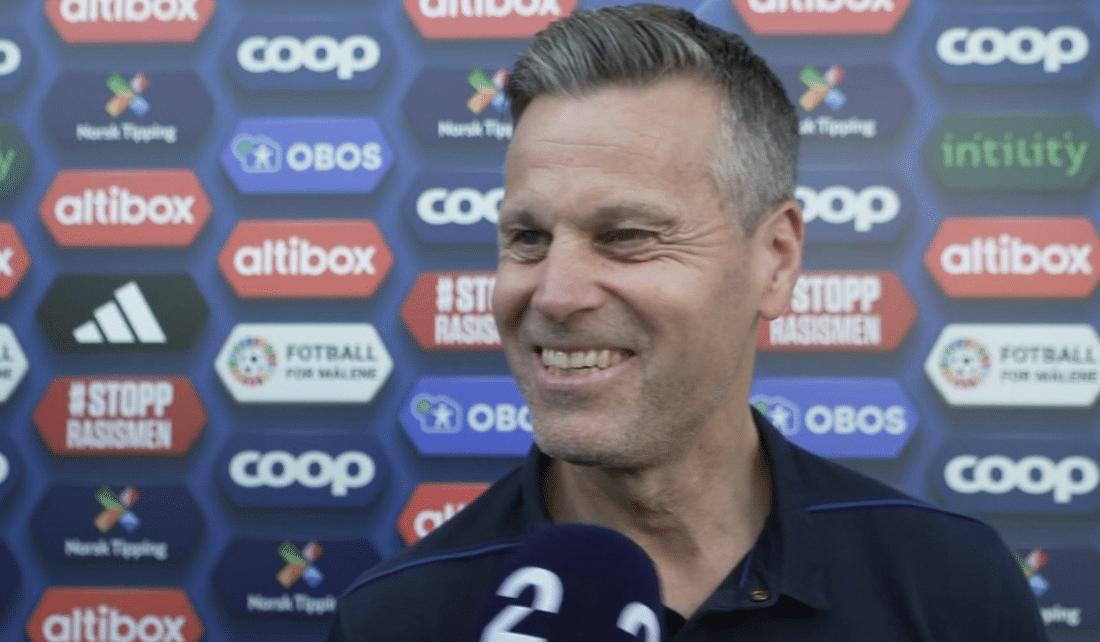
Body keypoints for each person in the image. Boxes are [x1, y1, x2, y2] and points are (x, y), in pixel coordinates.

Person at [329, 5, 1048, 640]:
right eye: (528, 238)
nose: (555, 294)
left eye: (627, 236)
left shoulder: (953, 584)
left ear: (775, 260)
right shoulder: (396, 617)